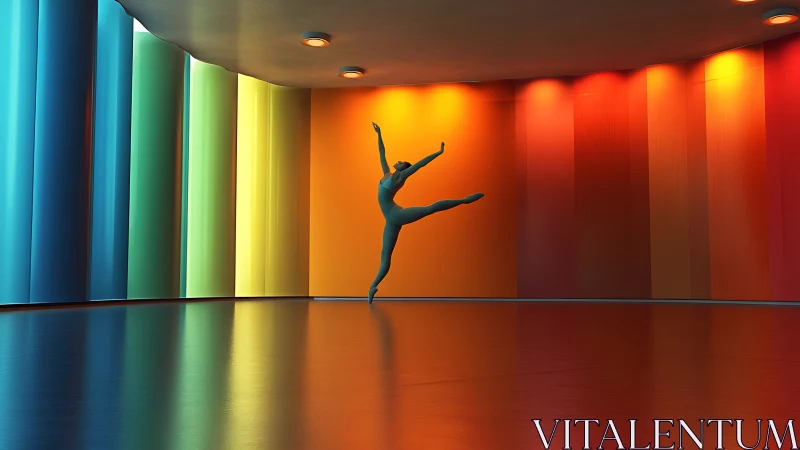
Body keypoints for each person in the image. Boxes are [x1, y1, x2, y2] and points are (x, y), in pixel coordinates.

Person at [367, 122, 484, 303]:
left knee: (430, 209)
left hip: (396, 214)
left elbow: (421, 164)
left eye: (400, 162)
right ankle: (373, 286)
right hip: (390, 219)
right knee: (385, 254)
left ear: (403, 168)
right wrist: (379, 133)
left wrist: (439, 152)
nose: (396, 161)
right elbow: (382, 153)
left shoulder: (400, 176)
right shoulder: (387, 174)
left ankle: (464, 200)